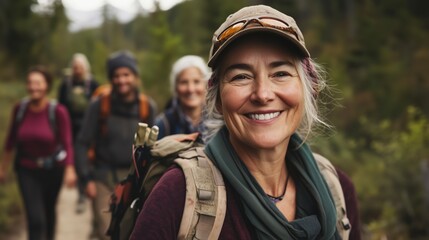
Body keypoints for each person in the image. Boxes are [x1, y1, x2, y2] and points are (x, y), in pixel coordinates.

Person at [131, 5, 361, 240]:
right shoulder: (177, 194)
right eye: (241, 76)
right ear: (217, 99)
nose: (262, 94)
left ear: (307, 88)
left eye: (280, 73)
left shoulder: (337, 190)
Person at [74, 51, 157, 240]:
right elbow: (82, 143)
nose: (121, 80)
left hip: (135, 179)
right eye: (116, 75)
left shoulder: (146, 106)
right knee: (106, 232)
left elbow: (155, 147)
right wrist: (86, 179)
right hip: (103, 177)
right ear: (111, 78)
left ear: (135, 76)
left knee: (130, 230)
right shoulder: (99, 105)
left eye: (126, 75)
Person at [0, 66, 77, 240]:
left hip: (53, 170)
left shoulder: (58, 111)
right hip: (26, 170)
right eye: (30, 82)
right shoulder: (20, 109)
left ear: (47, 85)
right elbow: (10, 140)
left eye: (38, 83)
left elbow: (67, 143)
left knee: (49, 213)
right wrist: (3, 167)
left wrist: (70, 169)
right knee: (36, 219)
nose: (33, 87)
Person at [58, 53, 99, 214]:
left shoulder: (93, 84)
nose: (78, 70)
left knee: (89, 159)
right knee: (76, 159)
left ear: (85, 68)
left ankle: (92, 187)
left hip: (89, 128)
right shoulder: (65, 85)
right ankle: (81, 193)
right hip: (71, 128)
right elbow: (60, 107)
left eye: (80, 67)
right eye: (75, 67)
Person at [154, 55, 210, 139]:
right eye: (184, 82)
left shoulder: (217, 122)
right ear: (175, 87)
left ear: (206, 85)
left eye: (196, 82)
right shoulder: (162, 124)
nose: (190, 89)